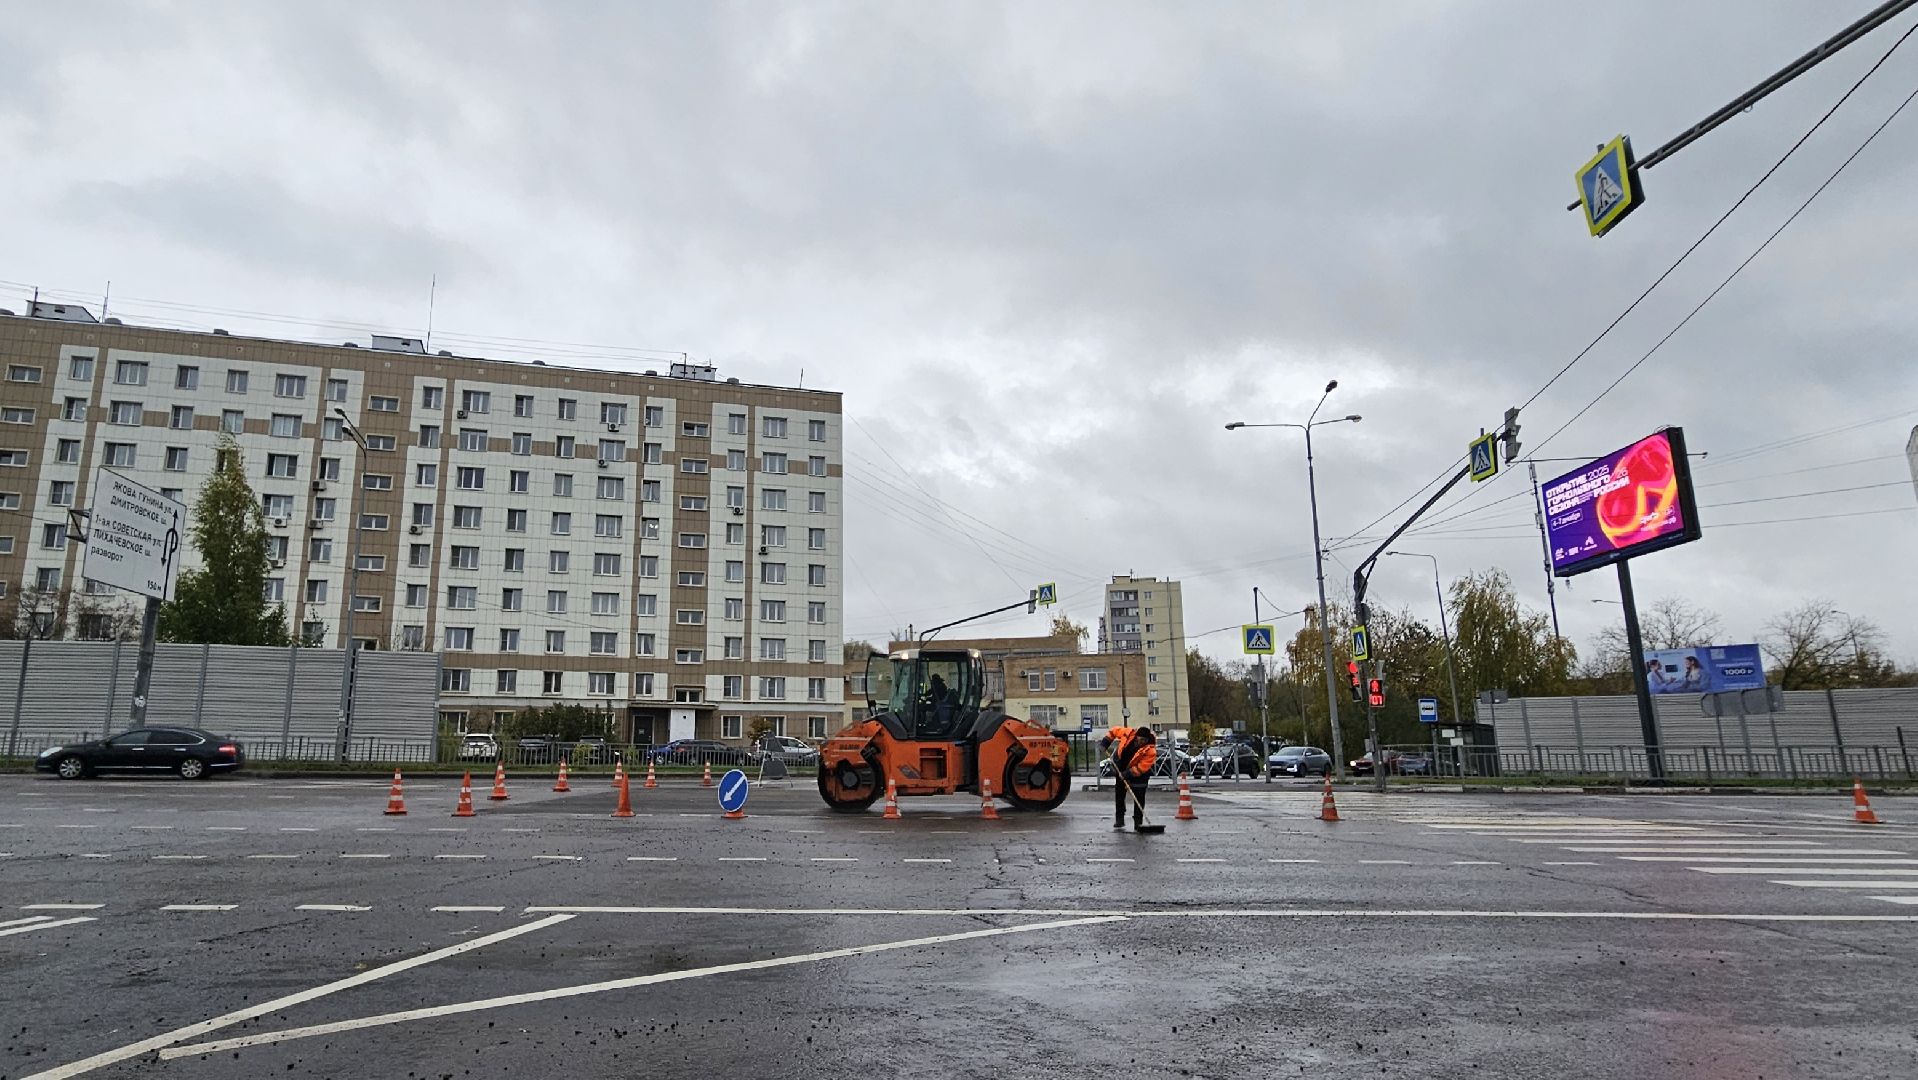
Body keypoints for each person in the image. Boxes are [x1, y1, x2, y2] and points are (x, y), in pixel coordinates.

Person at [1102, 724, 1159, 831]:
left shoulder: (1150, 750)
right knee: (1119, 795)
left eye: (1144, 740)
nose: (1141, 742)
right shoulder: (1128, 733)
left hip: (1139, 776)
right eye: (1140, 739)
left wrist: (1127, 774)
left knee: (1139, 797)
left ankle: (1138, 822)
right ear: (1136, 736)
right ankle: (1119, 819)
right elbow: (1113, 731)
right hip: (1121, 767)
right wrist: (1105, 742)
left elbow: (1141, 768)